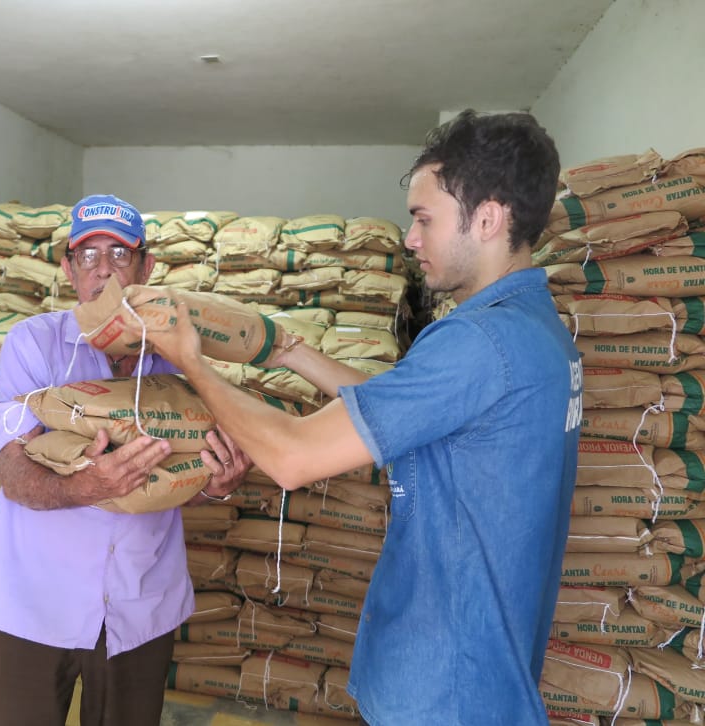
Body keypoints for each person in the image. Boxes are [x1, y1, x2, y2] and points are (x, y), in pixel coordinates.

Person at [145, 111, 583, 725]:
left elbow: (293, 457)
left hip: (445, 690)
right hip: (485, 676)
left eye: (424, 218)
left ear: (488, 218)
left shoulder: (478, 342)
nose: (410, 238)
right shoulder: (538, 332)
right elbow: (402, 404)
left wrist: (190, 361)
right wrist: (289, 349)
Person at [0, 193, 250, 726]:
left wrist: (220, 484)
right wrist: (85, 487)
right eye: (88, 256)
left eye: (120, 255)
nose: (104, 271)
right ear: (68, 269)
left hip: (138, 606)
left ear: (146, 267)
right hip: (35, 604)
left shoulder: (180, 354)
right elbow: (13, 472)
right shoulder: (33, 345)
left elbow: (198, 464)